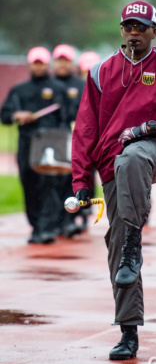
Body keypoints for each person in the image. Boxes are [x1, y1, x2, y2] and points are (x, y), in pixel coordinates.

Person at [71, 0, 156, 360]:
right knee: (116, 245)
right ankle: (128, 332)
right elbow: (85, 130)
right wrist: (80, 182)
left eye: (142, 27)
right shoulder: (100, 71)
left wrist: (150, 128)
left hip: (155, 152)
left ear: (154, 32)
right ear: (121, 29)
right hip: (111, 165)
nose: (135, 31)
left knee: (132, 155)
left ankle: (134, 237)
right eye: (129, 25)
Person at [0, 47, 69, 244]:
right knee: (28, 185)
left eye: (41, 62)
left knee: (48, 185)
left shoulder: (58, 89)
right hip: (26, 143)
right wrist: (16, 116)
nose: (38, 66)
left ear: (47, 64)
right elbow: (4, 116)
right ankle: (36, 226)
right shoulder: (18, 90)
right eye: (35, 62)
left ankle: (47, 229)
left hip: (50, 144)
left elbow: (66, 119)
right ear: (30, 64)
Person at [52, 44, 87, 237]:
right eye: (59, 60)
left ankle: (69, 220)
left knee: (71, 180)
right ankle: (55, 221)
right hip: (52, 140)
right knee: (52, 181)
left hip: (75, 139)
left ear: (72, 62)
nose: (62, 64)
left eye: (66, 60)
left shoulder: (81, 85)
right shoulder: (48, 84)